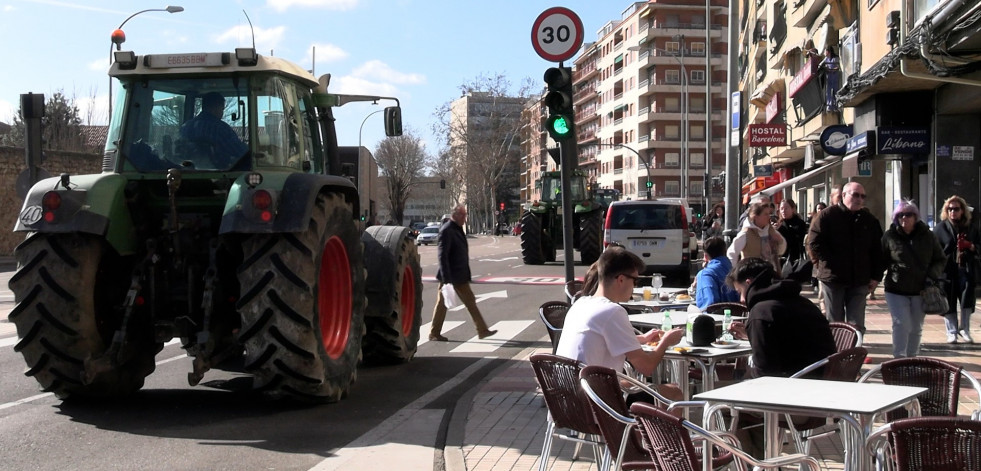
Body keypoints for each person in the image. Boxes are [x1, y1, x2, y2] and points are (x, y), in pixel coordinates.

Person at [555, 246, 685, 396]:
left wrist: (641, 339)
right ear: (621, 279)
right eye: (635, 280)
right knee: (674, 393)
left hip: (568, 400)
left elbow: (598, 339)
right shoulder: (612, 311)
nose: (635, 286)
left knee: (631, 382)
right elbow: (647, 367)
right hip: (596, 406)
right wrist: (666, 341)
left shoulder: (581, 304)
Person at [726, 257, 837, 378]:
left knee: (736, 378)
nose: (741, 300)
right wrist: (750, 335)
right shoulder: (803, 302)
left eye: (739, 291)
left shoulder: (760, 313)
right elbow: (791, 342)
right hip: (827, 379)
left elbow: (765, 371)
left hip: (794, 387)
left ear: (748, 283)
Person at [807, 181, 884, 333]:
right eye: (855, 195)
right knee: (835, 323)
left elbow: (877, 250)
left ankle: (854, 353)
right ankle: (836, 354)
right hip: (833, 279)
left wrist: (876, 276)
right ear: (843, 195)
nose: (859, 199)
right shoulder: (827, 216)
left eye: (862, 196)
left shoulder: (869, 220)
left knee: (857, 325)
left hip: (859, 280)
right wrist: (830, 263)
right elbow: (814, 243)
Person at [881, 200, 946, 357]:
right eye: (901, 215)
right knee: (901, 324)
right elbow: (880, 260)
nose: (905, 218)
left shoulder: (928, 236)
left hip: (921, 289)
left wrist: (932, 275)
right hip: (895, 289)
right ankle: (899, 358)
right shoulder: (890, 236)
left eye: (908, 214)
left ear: (915, 217)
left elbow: (940, 259)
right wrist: (873, 279)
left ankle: (912, 358)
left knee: (916, 326)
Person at [429, 204, 496, 341]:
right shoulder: (447, 230)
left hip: (459, 275)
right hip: (451, 275)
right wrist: (446, 279)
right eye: (464, 215)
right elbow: (442, 256)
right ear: (456, 215)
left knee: (463, 302)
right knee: (446, 304)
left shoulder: (457, 229)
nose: (465, 218)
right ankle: (435, 333)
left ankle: (481, 330)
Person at [933, 195, 981, 343]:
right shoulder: (940, 228)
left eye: (956, 209)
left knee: (967, 299)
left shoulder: (971, 228)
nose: (953, 212)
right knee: (949, 300)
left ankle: (965, 329)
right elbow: (935, 251)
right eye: (950, 209)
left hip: (966, 269)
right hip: (947, 271)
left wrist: (971, 246)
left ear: (962, 211)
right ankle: (951, 331)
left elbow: (979, 246)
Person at [179, 91, 249, 168]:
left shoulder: (186, 126)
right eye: (222, 109)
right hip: (217, 175)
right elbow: (240, 152)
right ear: (215, 108)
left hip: (189, 172)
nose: (222, 113)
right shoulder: (220, 128)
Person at [727, 201, 786, 271]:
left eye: (769, 214)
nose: (769, 217)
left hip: (770, 273)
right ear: (756, 217)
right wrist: (735, 273)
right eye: (765, 214)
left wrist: (781, 241)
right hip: (752, 275)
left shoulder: (771, 231)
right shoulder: (746, 233)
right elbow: (732, 253)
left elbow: (781, 252)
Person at [695, 236, 739, 310]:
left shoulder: (705, 275)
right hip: (738, 317)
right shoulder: (735, 270)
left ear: (705, 256)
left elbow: (708, 305)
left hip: (718, 319)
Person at [774, 198, 808, 264]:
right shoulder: (779, 223)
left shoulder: (799, 223)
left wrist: (783, 230)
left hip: (795, 259)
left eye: (786, 208)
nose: (783, 211)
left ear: (792, 209)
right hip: (781, 258)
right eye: (781, 208)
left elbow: (798, 239)